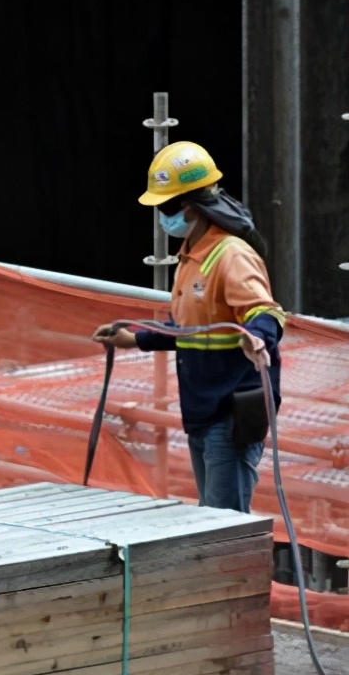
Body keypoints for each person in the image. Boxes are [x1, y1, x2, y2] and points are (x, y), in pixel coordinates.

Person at [92, 141, 284, 513]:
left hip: (232, 411)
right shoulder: (191, 258)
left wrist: (258, 336)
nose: (163, 217)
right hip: (203, 408)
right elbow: (193, 331)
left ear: (191, 206)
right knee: (209, 517)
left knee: (222, 524)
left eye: (166, 207)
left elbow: (266, 311)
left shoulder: (230, 255)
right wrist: (135, 339)